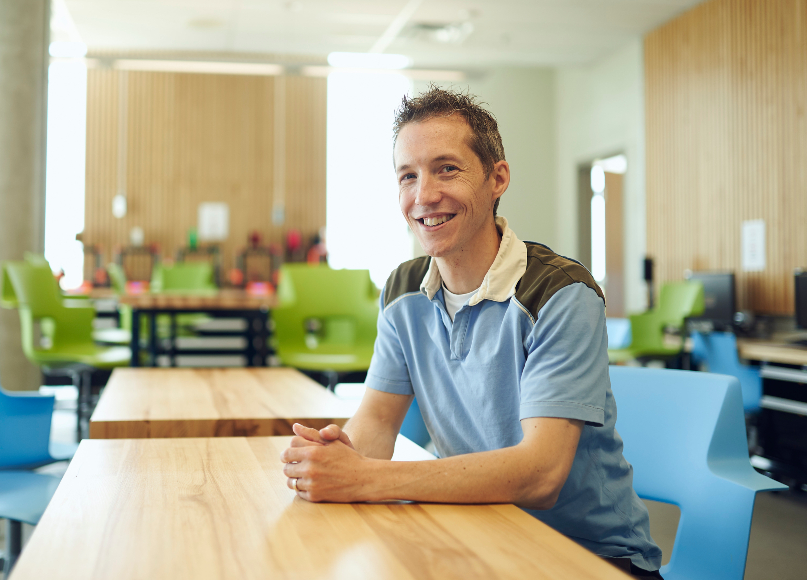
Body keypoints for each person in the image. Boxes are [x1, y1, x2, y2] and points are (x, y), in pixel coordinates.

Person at [280, 87, 664, 578]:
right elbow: (376, 424)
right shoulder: (402, 290)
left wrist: (368, 480)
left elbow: (541, 474)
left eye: (447, 168)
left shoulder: (560, 292)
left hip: (589, 556)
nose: (424, 196)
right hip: (476, 533)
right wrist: (338, 458)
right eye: (408, 176)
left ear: (497, 178)